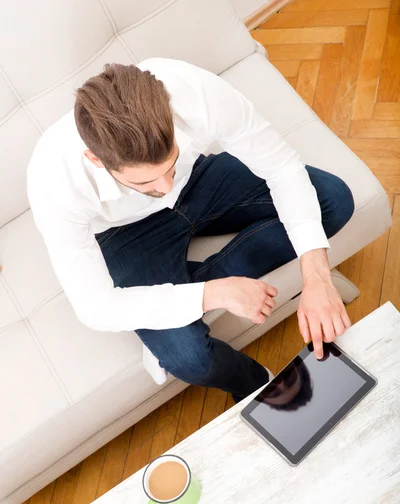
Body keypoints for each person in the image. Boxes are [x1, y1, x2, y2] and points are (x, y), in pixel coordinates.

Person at [27, 58, 354, 403]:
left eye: (168, 163)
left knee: (333, 199)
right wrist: (213, 294)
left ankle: (175, 295)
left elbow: (283, 168)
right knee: (189, 359)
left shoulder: (193, 91)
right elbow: (95, 307)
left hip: (198, 181)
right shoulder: (53, 180)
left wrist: (317, 279)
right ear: (96, 159)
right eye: (146, 180)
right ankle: (255, 383)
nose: (165, 187)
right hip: (124, 234)